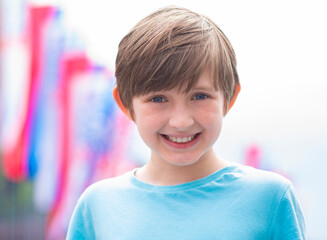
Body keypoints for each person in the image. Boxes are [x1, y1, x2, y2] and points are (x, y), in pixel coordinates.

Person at [66, 6, 306, 239]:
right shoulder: (97, 206)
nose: (181, 121)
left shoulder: (270, 199)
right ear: (126, 104)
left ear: (229, 98)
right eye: (158, 99)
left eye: (199, 96)